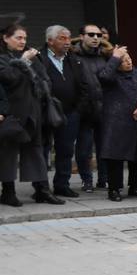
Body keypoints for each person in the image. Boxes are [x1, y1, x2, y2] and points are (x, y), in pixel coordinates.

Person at [0, 22, 59, 206]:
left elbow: (44, 79)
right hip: (12, 113)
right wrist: (23, 61)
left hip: (34, 112)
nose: (22, 41)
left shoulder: (33, 57)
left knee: (36, 153)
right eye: (18, 37)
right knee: (7, 154)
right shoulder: (3, 58)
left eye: (24, 38)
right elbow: (10, 78)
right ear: (5, 38)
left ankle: (42, 190)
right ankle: (8, 192)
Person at [39, 25, 89, 199]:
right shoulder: (39, 58)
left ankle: (62, 184)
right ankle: (41, 188)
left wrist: (78, 109)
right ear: (50, 41)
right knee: (42, 150)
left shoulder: (73, 59)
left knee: (66, 150)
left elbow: (83, 85)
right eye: (62, 38)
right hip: (45, 113)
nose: (67, 42)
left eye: (68, 38)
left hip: (70, 113)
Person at [97, 46, 137, 201]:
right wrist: (115, 57)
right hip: (116, 121)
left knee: (136, 157)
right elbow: (104, 77)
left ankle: (135, 186)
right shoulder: (110, 75)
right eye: (123, 60)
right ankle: (114, 188)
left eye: (129, 59)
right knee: (115, 158)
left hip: (136, 119)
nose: (128, 62)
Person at [71, 23, 108, 192]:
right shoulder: (72, 55)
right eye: (91, 34)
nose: (95, 38)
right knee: (84, 148)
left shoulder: (105, 55)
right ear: (82, 36)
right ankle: (87, 180)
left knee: (104, 147)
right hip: (83, 109)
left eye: (99, 35)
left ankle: (104, 179)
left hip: (104, 108)